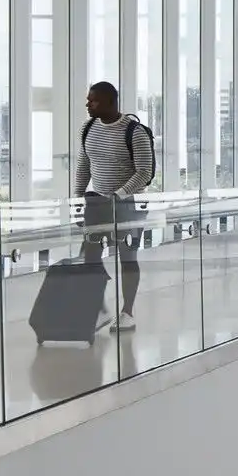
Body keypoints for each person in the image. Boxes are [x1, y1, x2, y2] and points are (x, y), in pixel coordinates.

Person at [75, 80, 157, 330]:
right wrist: (77, 200)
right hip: (97, 202)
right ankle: (98, 309)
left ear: (110, 102)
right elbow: (84, 165)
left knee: (126, 258)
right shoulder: (88, 127)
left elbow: (145, 173)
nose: (88, 104)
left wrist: (118, 195)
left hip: (129, 204)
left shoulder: (135, 132)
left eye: (94, 100)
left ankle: (127, 312)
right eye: (89, 99)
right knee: (89, 257)